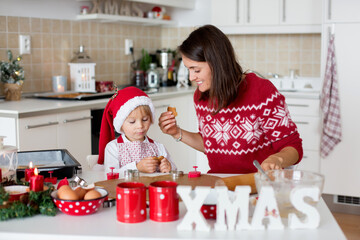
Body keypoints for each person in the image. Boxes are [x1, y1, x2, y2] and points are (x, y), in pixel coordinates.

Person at [158, 25, 303, 174]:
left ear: (216, 63)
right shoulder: (201, 96)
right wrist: (176, 132)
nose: (191, 77)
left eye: (196, 70)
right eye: (188, 69)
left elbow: (293, 146)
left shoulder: (261, 92)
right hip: (221, 181)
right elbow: (211, 144)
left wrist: (277, 159)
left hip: (259, 183)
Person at [98, 86, 176, 175]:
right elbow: (111, 175)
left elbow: (173, 172)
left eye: (145, 120)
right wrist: (136, 167)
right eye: (132, 122)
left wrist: (169, 167)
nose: (140, 126)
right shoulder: (113, 148)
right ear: (121, 125)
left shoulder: (158, 147)